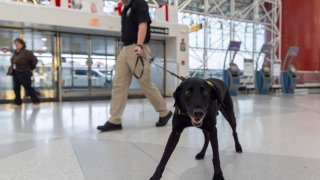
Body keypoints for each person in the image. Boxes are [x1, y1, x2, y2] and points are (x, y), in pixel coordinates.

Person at [97, 0, 172, 132]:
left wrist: (139, 45)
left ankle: (164, 112)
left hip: (137, 47)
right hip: (125, 49)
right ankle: (114, 120)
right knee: (118, 84)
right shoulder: (125, 9)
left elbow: (142, 25)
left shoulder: (139, 3)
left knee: (145, 83)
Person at [11, 38, 40, 107]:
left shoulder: (27, 52)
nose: (16, 45)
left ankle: (36, 101)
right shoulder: (15, 52)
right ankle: (18, 102)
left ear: (22, 44)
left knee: (28, 88)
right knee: (16, 88)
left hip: (25, 73)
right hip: (16, 72)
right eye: (15, 43)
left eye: (18, 43)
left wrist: (30, 68)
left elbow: (35, 60)